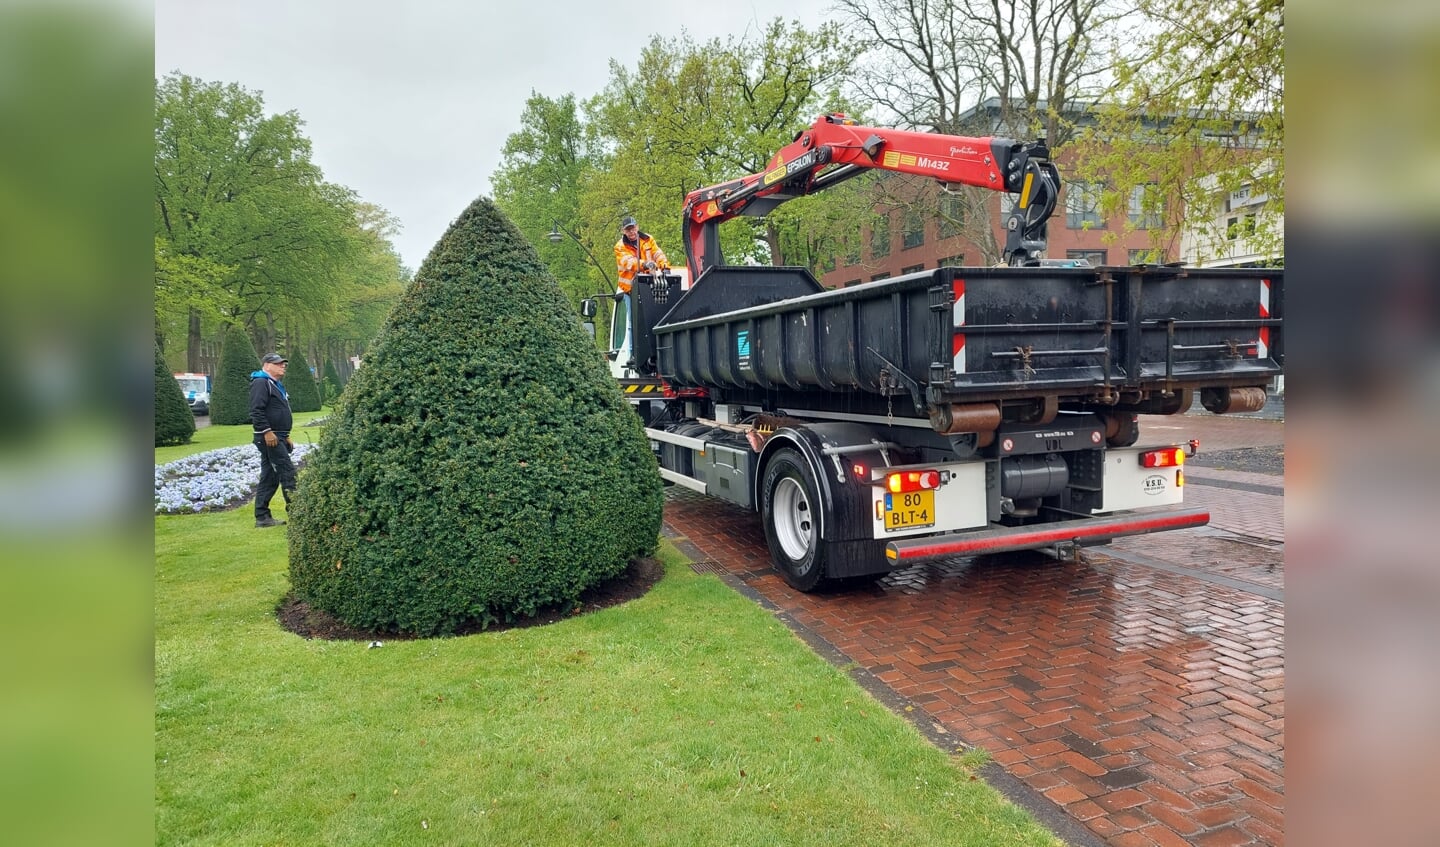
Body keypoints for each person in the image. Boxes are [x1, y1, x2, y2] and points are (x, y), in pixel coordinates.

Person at [250, 352, 296, 528]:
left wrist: (286, 435)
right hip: (270, 437)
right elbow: (256, 410)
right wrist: (267, 432)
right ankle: (297, 513)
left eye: (283, 364)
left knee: (270, 477)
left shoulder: (274, 384)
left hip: (279, 435)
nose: (283, 366)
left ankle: (262, 517)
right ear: (267, 365)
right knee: (288, 473)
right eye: (278, 364)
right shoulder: (261, 383)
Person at [613, 215, 668, 294]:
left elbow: (658, 254)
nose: (631, 231)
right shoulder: (620, 246)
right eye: (628, 229)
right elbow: (629, 263)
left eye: (633, 228)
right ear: (623, 231)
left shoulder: (648, 239)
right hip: (629, 290)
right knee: (630, 306)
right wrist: (645, 264)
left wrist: (665, 267)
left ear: (637, 227)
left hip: (649, 284)